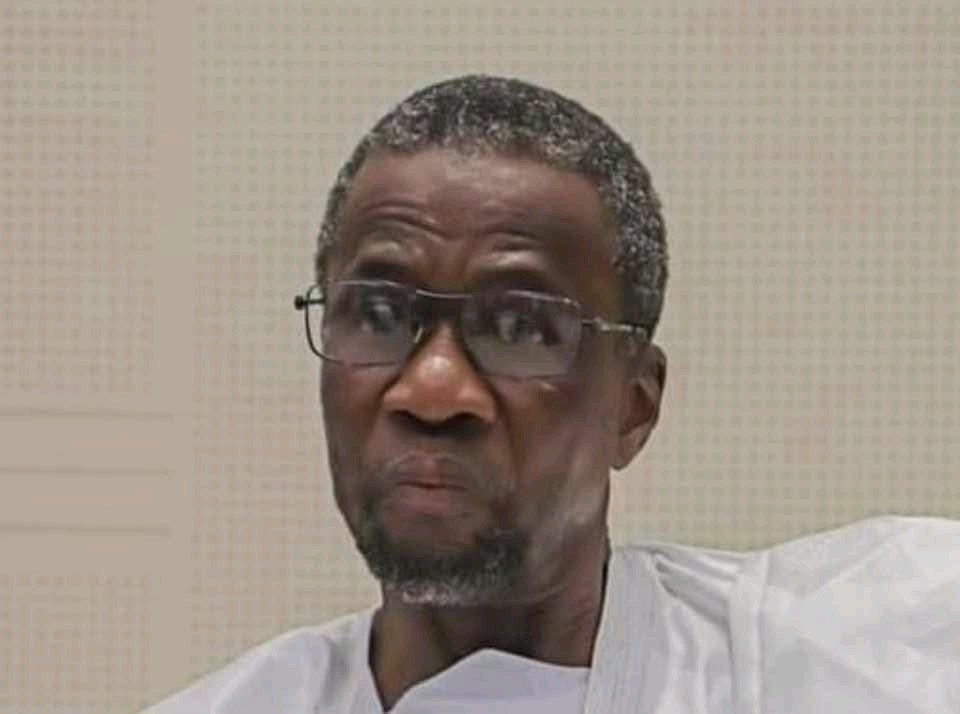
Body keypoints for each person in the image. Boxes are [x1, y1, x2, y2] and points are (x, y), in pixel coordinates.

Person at [144, 75, 959, 714]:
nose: (432, 389)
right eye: (382, 315)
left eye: (519, 326)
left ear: (634, 406)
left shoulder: (837, 662)